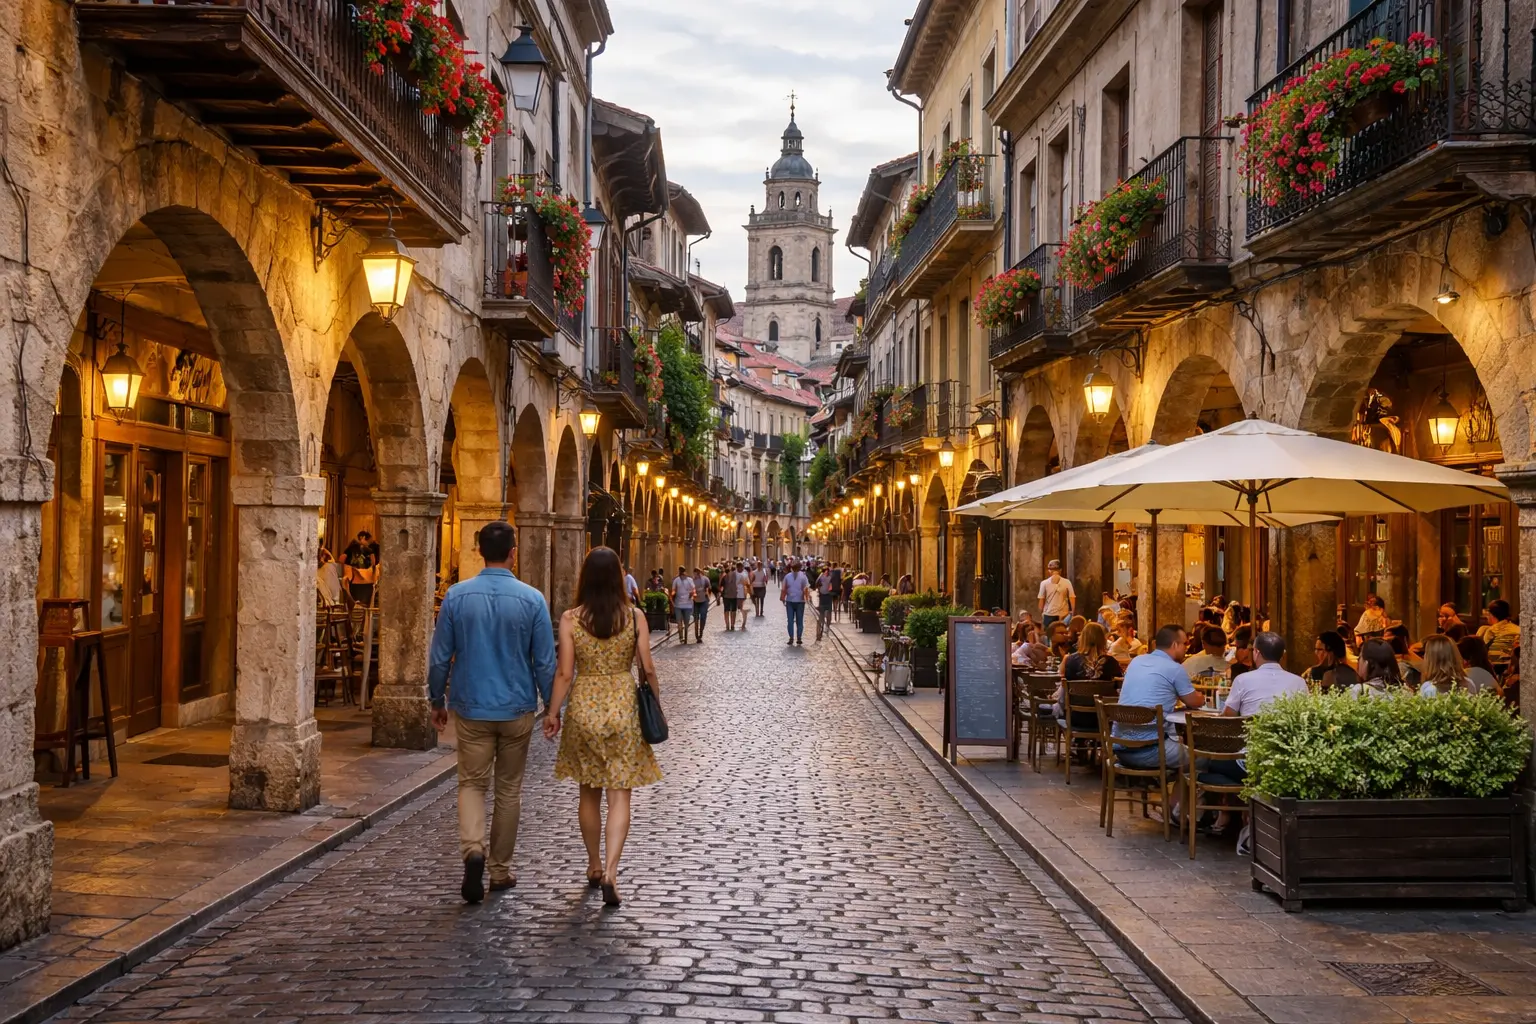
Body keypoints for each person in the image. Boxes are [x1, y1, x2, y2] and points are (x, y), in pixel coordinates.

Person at [428, 521, 555, 903]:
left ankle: (473, 851)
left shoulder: (456, 596)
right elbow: (545, 662)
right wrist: (551, 706)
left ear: (478, 551)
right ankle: (499, 870)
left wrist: (437, 700)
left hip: (471, 705)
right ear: (513, 553)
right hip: (517, 707)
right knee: (509, 790)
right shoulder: (533, 599)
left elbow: (439, 658)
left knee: (471, 783)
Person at [543, 546, 662, 907]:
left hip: (585, 706)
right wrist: (656, 706)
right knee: (620, 793)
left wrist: (552, 713)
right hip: (623, 704)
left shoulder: (570, 619)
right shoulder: (635, 617)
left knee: (588, 792)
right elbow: (648, 668)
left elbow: (565, 672)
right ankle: (612, 870)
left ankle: (593, 864)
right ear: (618, 576)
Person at [1113, 626, 1205, 819]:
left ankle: (1175, 806)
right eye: (1184, 644)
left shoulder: (1136, 661)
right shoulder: (1175, 669)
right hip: (1151, 751)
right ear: (1174, 645)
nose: (1186, 649)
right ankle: (1175, 810)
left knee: (1182, 753)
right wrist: (1203, 697)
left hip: (1119, 747)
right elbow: (1193, 701)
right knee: (1202, 757)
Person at [1479, 599, 1520, 673]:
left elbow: (1483, 651)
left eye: (1488, 614)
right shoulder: (1517, 628)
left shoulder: (1491, 631)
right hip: (1513, 667)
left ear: (1491, 615)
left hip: (1494, 668)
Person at [342, 529, 380, 606]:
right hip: (367, 582)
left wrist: (348, 568)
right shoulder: (370, 550)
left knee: (355, 602)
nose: (369, 542)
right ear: (362, 538)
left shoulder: (351, 548)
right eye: (368, 540)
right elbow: (374, 563)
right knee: (366, 604)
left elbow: (341, 559)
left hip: (354, 580)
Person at [1038, 559, 1075, 629]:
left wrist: (1042, 613)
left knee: (1049, 636)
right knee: (1062, 634)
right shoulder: (1067, 582)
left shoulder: (1044, 583)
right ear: (1060, 570)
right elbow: (1072, 598)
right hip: (1063, 614)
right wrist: (1072, 613)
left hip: (1049, 614)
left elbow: (1041, 601)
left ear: (1049, 570)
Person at [781, 559, 810, 646]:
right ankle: (798, 638)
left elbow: (784, 588)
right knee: (799, 620)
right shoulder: (803, 576)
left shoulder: (788, 576)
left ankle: (792, 638)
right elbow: (806, 588)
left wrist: (783, 598)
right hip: (798, 601)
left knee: (790, 620)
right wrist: (807, 597)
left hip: (792, 600)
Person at [670, 566, 694, 644]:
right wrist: (672, 594)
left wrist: (692, 594)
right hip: (679, 605)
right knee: (681, 622)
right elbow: (673, 590)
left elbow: (693, 590)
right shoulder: (677, 580)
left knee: (684, 622)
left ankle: (683, 637)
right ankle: (682, 637)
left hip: (686, 605)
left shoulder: (689, 580)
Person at [690, 567, 712, 642]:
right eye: (695, 573)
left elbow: (709, 589)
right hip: (695, 602)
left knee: (703, 617)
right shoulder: (692, 581)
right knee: (696, 619)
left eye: (698, 573)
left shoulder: (705, 579)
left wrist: (708, 597)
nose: (697, 574)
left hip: (704, 601)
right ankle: (697, 635)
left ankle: (701, 632)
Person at [815, 562, 836, 640]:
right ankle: (826, 626)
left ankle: (826, 625)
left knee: (826, 612)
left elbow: (816, 583)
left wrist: (819, 589)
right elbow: (817, 583)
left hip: (826, 595)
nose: (827, 572)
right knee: (825, 611)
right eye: (826, 571)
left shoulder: (824, 577)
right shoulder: (828, 577)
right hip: (825, 596)